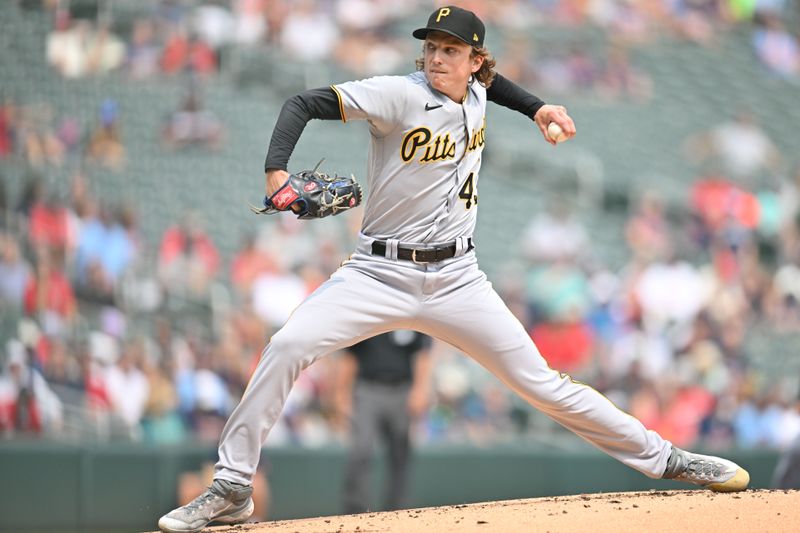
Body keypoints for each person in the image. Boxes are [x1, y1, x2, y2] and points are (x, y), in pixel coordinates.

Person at [157, 6, 749, 533]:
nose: (437, 57)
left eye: (451, 50)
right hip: (376, 273)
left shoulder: (477, 91)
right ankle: (233, 485)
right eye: (432, 47)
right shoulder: (399, 93)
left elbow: (498, 88)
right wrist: (275, 172)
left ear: (474, 60)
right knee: (287, 345)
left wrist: (539, 107)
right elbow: (302, 103)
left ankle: (669, 459)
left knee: (542, 384)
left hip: (458, 279)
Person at [335, 330, 433, 514]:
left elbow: (422, 353)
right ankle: (355, 512)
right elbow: (350, 356)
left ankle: (397, 511)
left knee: (400, 453)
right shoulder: (369, 315)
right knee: (361, 449)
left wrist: (420, 390)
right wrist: (341, 393)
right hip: (367, 388)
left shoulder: (408, 314)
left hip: (402, 389)